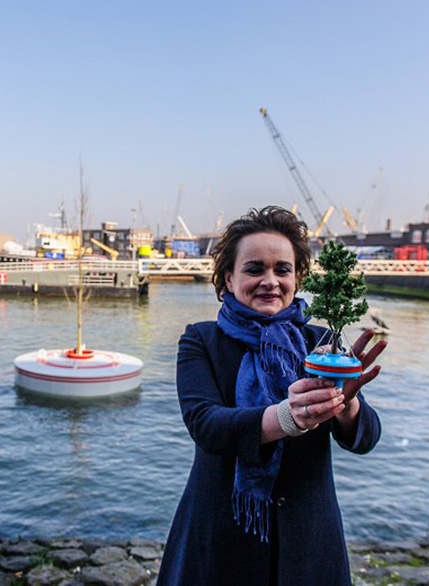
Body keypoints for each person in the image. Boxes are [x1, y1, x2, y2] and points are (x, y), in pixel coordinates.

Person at [157, 206, 387, 586]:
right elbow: (205, 424)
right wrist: (286, 417)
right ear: (228, 278)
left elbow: (366, 438)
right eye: (254, 269)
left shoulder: (321, 341)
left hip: (309, 539)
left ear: (297, 278)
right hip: (219, 537)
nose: (270, 280)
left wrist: (346, 404)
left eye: (282, 269)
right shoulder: (201, 339)